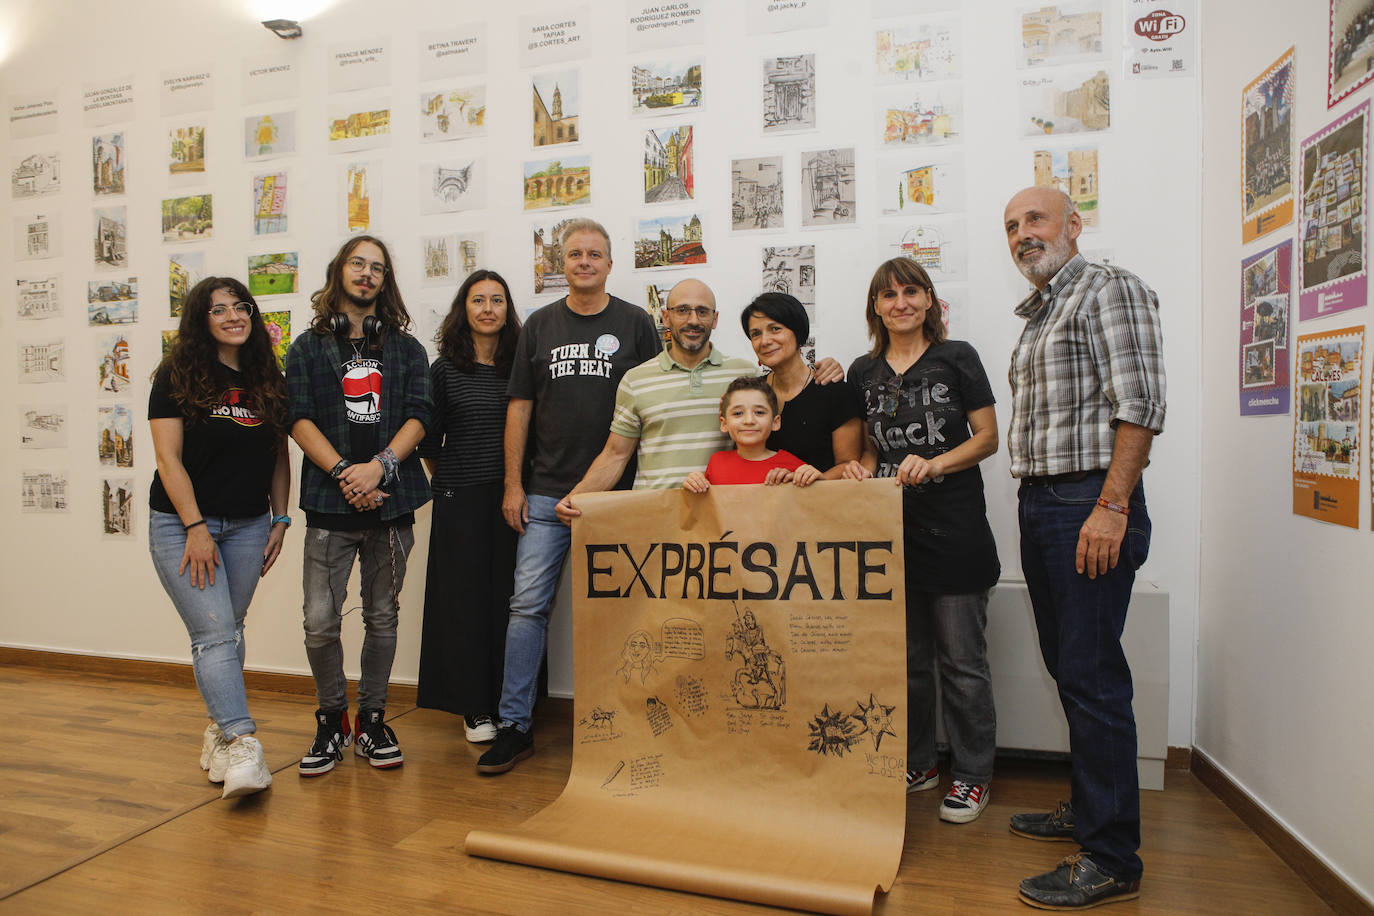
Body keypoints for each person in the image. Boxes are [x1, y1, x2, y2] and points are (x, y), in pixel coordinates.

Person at [1002, 186, 1165, 910]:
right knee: (1069, 668)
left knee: (1094, 676)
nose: (1022, 234)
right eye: (1011, 227)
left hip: (1086, 502)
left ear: (1074, 224)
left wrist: (1112, 505)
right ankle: (1089, 804)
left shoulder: (1107, 288)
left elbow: (1140, 404)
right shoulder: (1042, 311)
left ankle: (1110, 857)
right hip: (1042, 501)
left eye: (1034, 219)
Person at [477, 219, 661, 775]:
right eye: (575, 254)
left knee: (625, 613)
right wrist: (514, 484)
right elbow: (520, 409)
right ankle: (514, 725)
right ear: (562, 263)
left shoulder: (637, 323)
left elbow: (655, 397)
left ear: (610, 263)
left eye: (595, 254)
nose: (584, 262)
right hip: (546, 495)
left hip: (620, 497)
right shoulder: (538, 325)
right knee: (527, 607)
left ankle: (623, 720)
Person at [847, 257, 1001, 826]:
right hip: (890, 533)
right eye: (888, 295)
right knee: (907, 661)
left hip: (955, 529)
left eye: (912, 292)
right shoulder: (863, 372)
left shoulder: (957, 358)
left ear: (930, 300)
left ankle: (973, 775)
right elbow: (869, 448)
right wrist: (864, 470)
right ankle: (919, 763)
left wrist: (935, 465)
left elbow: (987, 438)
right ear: (876, 307)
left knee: (962, 661)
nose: (901, 303)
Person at [285, 235, 432, 776]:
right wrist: (347, 471)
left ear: (385, 281)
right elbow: (297, 418)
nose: (366, 274)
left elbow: (420, 414)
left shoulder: (407, 350)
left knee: (382, 617)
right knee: (320, 623)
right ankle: (331, 720)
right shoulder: (305, 348)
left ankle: (372, 719)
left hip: (392, 507)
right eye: (357, 263)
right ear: (339, 272)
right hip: (330, 505)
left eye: (377, 268)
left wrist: (381, 467)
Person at [147, 277, 290, 799]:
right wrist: (194, 527)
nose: (232, 315)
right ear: (200, 319)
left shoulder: (265, 376)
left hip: (251, 524)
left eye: (240, 306)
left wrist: (281, 519)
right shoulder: (178, 374)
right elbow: (168, 460)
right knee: (212, 633)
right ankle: (242, 741)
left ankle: (216, 734)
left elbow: (278, 453)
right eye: (218, 309)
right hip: (182, 526)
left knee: (229, 628)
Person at [556, 282, 847, 517]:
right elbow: (615, 454)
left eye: (702, 311)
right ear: (666, 317)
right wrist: (576, 496)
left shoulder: (745, 376)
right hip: (654, 516)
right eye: (682, 310)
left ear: (715, 319)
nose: (693, 320)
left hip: (723, 519)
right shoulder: (635, 380)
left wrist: (824, 367)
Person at [416, 269, 522, 745]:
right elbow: (428, 441)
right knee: (463, 605)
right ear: (464, 309)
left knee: (509, 601)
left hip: (512, 497)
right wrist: (454, 483)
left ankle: (509, 702)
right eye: (477, 300)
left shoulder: (521, 365)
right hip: (459, 498)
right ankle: (473, 706)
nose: (487, 309)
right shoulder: (444, 369)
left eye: (496, 300)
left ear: (508, 310)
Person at [741, 292, 865, 478]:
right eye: (756, 334)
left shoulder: (836, 392)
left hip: (821, 502)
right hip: (763, 503)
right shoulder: (750, 393)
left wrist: (816, 480)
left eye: (775, 329)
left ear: (798, 332)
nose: (765, 341)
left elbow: (848, 464)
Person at [682, 374, 821, 489]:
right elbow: (705, 508)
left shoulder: (792, 466)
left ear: (775, 422)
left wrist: (816, 477)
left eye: (759, 412)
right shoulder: (717, 462)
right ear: (724, 424)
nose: (749, 420)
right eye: (737, 413)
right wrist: (694, 483)